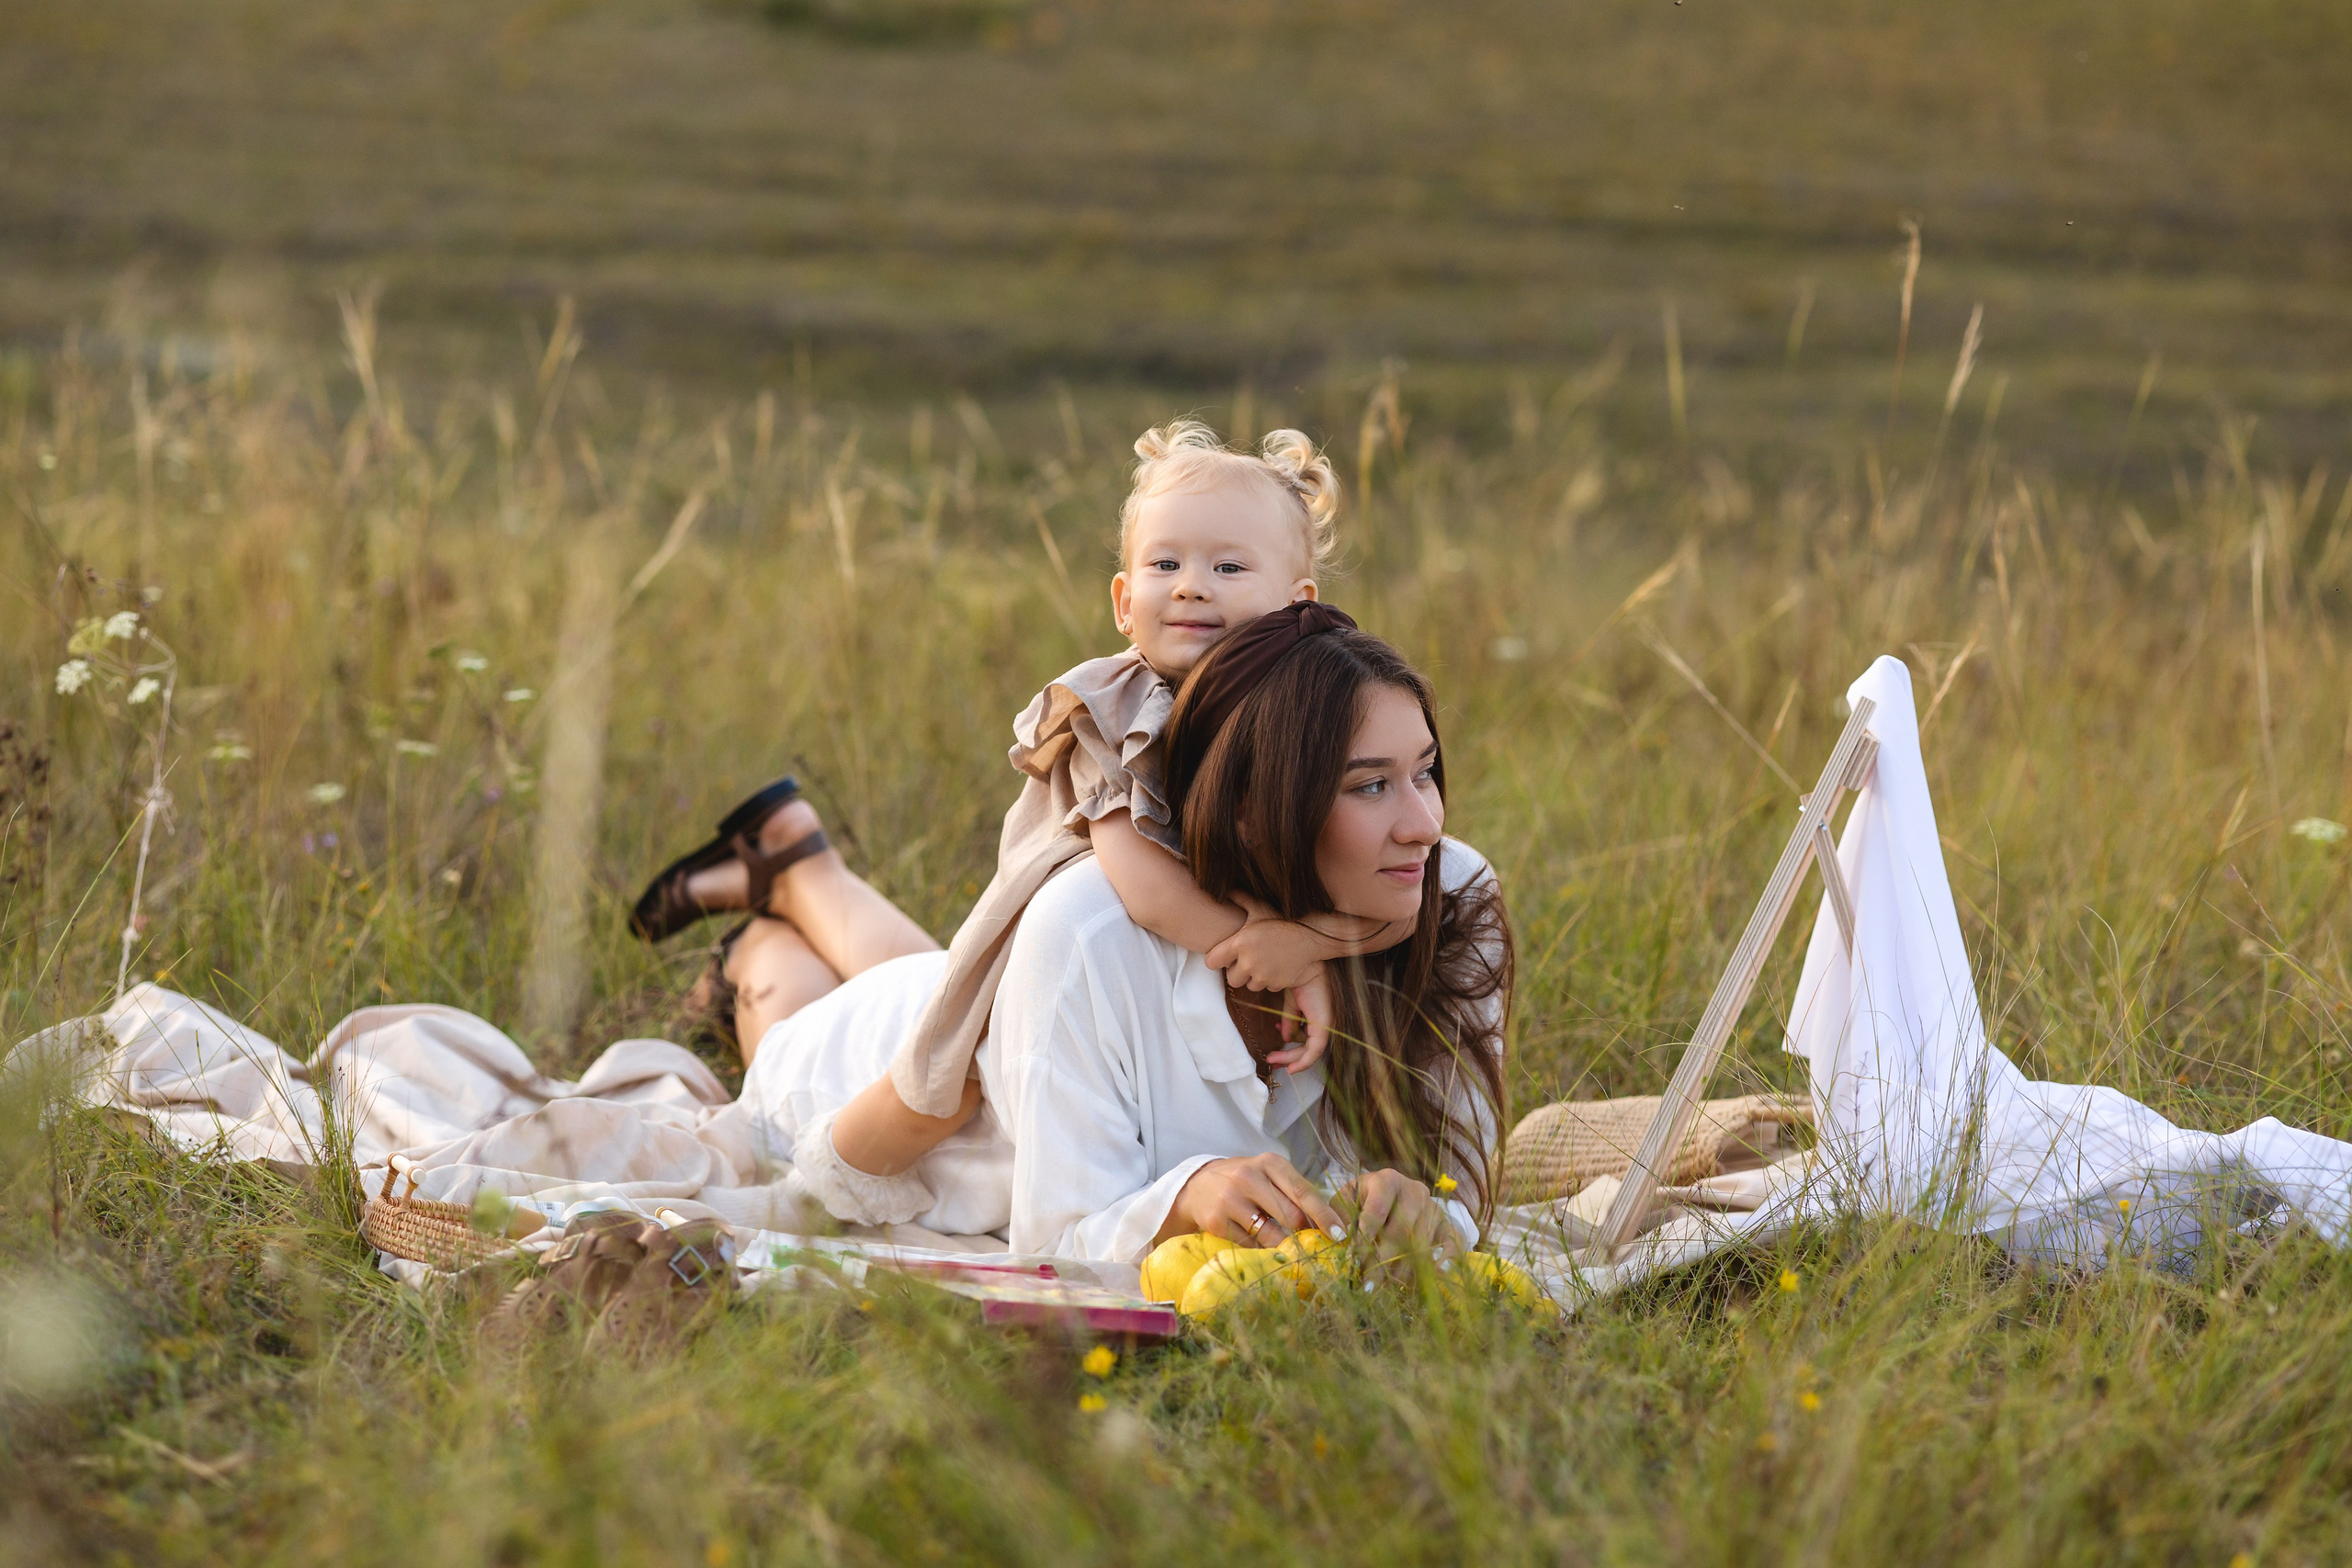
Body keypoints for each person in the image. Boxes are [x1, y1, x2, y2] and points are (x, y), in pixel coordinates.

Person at [627, 422, 1402, 1226]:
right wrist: (1272, 951)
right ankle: (758, 950)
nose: (1191, 586)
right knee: (860, 1080)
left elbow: (1420, 892)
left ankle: (798, 869)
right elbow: (1143, 889)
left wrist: (1312, 942)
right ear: (1122, 600)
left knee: (916, 992)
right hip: (1006, 993)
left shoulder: (1317, 720)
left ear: (1301, 604)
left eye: (1228, 566)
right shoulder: (1117, 712)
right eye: (1164, 564)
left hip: (1009, 979)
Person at [734, 611, 1513, 1256]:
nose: (1425, 824)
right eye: (1370, 785)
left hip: (998, 1004)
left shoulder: (1455, 894)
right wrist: (1184, 1197)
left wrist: (1422, 1210)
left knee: (929, 966)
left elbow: (1464, 1183)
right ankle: (765, 917)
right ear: (1252, 811)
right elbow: (1055, 1241)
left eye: (1424, 771)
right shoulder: (1084, 930)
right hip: (871, 1067)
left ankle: (801, 869)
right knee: (782, 1015)